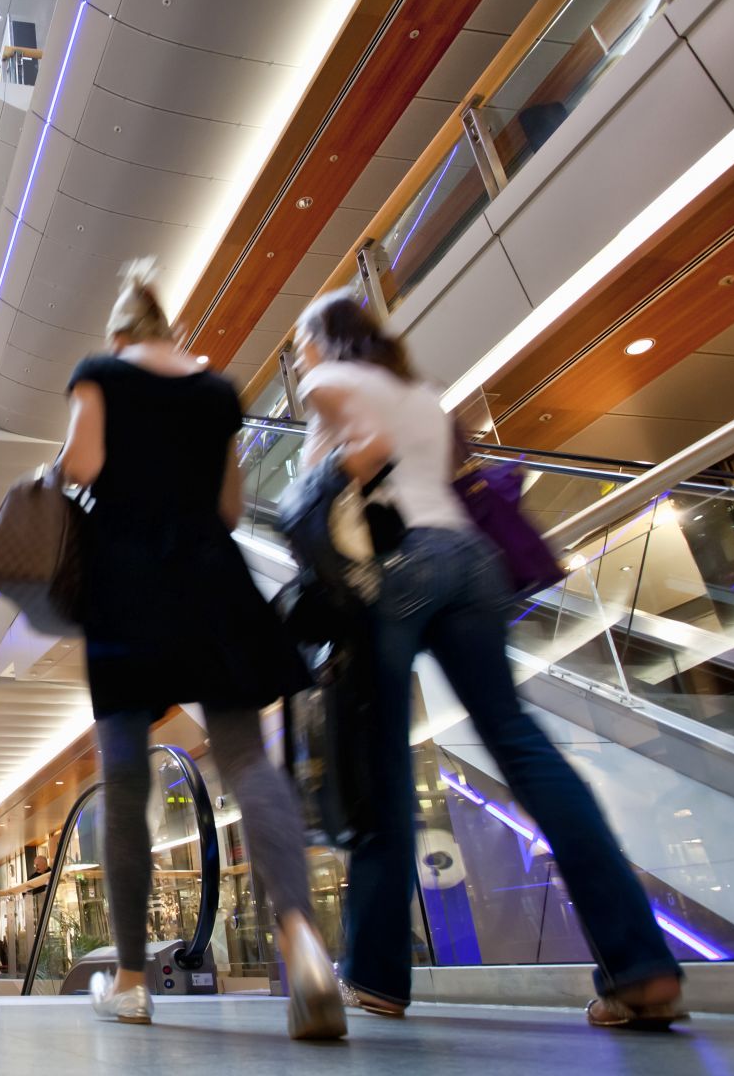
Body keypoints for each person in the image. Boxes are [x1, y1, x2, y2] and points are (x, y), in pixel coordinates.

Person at [289, 287, 685, 1029]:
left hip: (400, 568)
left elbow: (358, 460)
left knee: (380, 769)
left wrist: (315, 479)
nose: (299, 360)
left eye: (302, 341)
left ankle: (376, 975)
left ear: (322, 338)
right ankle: (641, 968)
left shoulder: (326, 383)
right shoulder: (419, 393)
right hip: (475, 565)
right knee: (525, 748)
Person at [57, 259, 343, 1040]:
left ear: (119, 334)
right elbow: (227, 505)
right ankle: (305, 946)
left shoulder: (99, 374)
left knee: (122, 778)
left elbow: (80, 468)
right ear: (170, 330)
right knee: (247, 761)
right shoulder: (218, 392)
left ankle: (130, 981)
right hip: (212, 584)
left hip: (124, 588)